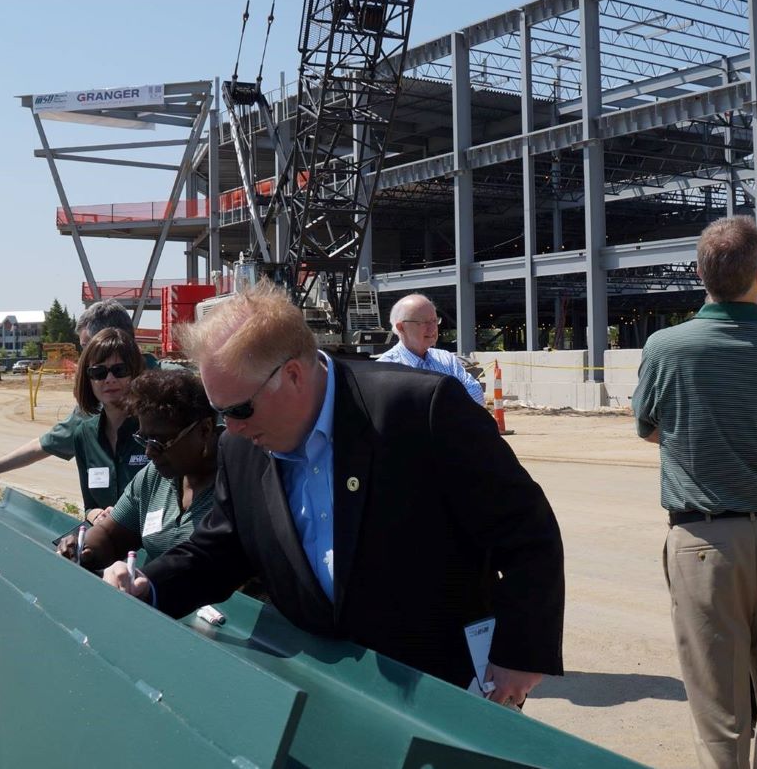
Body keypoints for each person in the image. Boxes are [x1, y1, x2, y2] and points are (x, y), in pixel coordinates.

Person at [101, 282, 564, 704]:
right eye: (222, 413)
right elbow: (223, 546)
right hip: (324, 689)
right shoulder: (240, 447)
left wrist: (519, 653)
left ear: (295, 376)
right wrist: (151, 586)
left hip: (442, 689)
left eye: (240, 409)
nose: (233, 429)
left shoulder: (421, 411)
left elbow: (528, 533)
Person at [631, 215, 757, 769]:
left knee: (720, 707)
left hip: (704, 541)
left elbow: (647, 425)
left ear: (701, 273)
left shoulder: (667, 348)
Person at [0, 300, 176, 485]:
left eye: (87, 345)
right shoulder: (96, 404)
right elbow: (46, 443)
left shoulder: (175, 386)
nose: (84, 355)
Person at [58, 367, 218, 571]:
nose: (150, 452)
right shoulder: (155, 476)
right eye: (144, 439)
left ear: (204, 430)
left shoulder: (235, 482)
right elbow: (111, 536)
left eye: (160, 441)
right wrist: (82, 549)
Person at [67, 327, 148, 522]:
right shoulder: (83, 434)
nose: (109, 379)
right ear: (89, 379)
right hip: (108, 544)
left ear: (135, 373)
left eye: (120, 370)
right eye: (99, 372)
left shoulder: (155, 429)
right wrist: (97, 516)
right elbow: (90, 507)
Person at [377, 293, 486, 406]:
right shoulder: (385, 368)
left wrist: (437, 408)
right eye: (424, 323)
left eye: (435, 321)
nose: (433, 328)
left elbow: (476, 393)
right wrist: (454, 404)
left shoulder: (447, 359)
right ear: (401, 327)